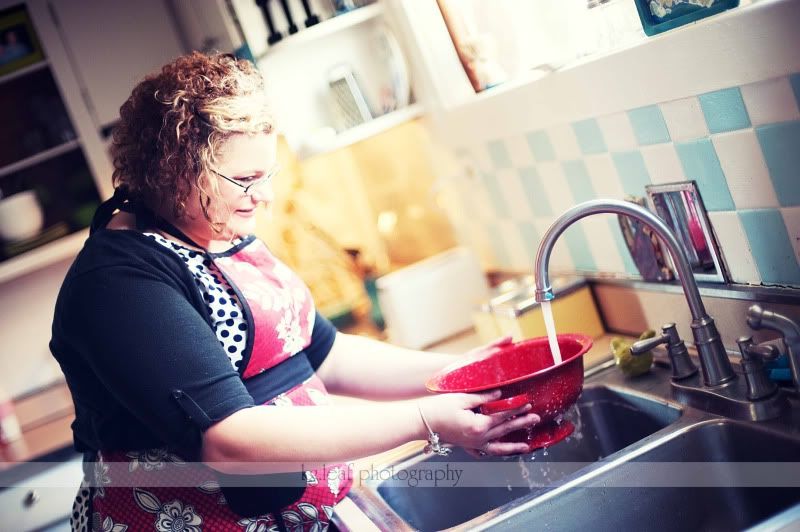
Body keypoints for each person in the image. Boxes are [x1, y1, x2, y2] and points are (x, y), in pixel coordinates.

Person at [50, 52, 540, 531]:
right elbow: (228, 439)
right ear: (176, 172)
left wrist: (463, 374)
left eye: (266, 174)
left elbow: (327, 355)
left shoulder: (219, 232)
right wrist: (426, 419)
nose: (263, 195)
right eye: (244, 179)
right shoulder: (118, 282)